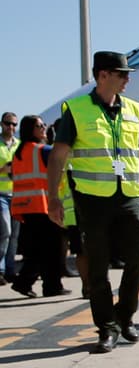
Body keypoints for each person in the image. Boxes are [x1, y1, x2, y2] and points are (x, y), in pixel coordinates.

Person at [47, 51, 139, 353]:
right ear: (103, 75)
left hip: (130, 196)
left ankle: (125, 316)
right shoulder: (76, 110)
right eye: (122, 73)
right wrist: (53, 197)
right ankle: (107, 327)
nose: (128, 79)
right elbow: (59, 154)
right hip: (93, 200)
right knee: (98, 267)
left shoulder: (133, 109)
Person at [10, 116, 68, 297]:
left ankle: (26, 281)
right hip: (43, 205)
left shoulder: (19, 152)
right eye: (40, 125)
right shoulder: (43, 150)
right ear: (31, 129)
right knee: (52, 249)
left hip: (24, 206)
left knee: (37, 250)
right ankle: (51, 286)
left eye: (44, 125)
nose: (44, 127)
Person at [0, 111, 19, 284]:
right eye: (8, 123)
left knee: (14, 235)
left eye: (14, 124)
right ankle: (1, 269)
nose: (11, 127)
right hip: (1, 194)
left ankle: (10, 269)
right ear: (1, 124)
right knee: (5, 232)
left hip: (18, 194)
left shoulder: (18, 145)